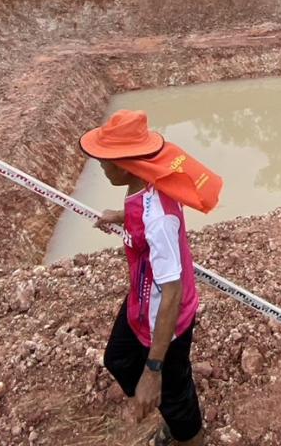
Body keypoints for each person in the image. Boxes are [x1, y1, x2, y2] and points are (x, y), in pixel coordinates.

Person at [83, 110, 205, 446]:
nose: (101, 167)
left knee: (176, 396)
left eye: (105, 161)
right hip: (142, 297)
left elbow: (172, 294)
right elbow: (146, 212)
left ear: (125, 165)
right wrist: (121, 215)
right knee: (118, 359)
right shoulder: (147, 183)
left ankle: (187, 435)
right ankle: (166, 403)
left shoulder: (159, 222)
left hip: (165, 317)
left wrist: (153, 371)